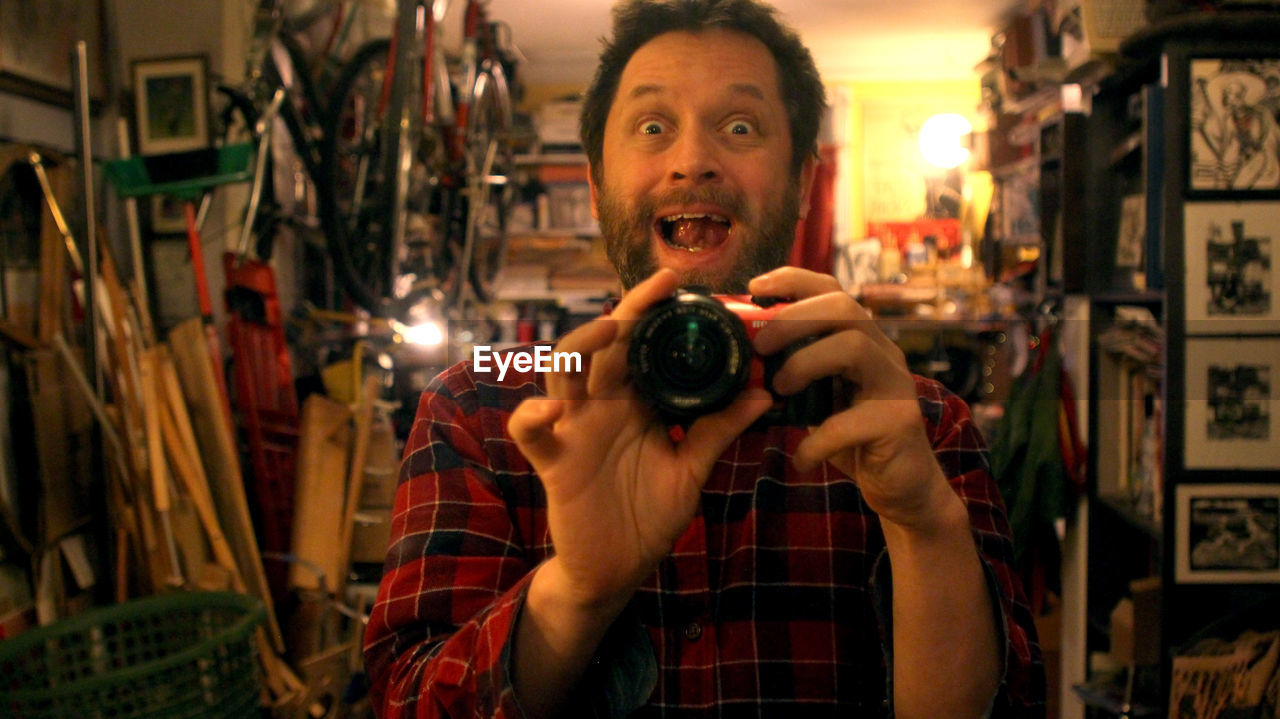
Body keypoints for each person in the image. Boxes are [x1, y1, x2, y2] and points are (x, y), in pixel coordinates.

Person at [363, 1, 1045, 716]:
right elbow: (405, 701)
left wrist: (922, 522)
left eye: (740, 127)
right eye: (653, 127)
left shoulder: (914, 426)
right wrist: (575, 592)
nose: (693, 160)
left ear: (803, 183)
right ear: (596, 186)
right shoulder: (479, 408)